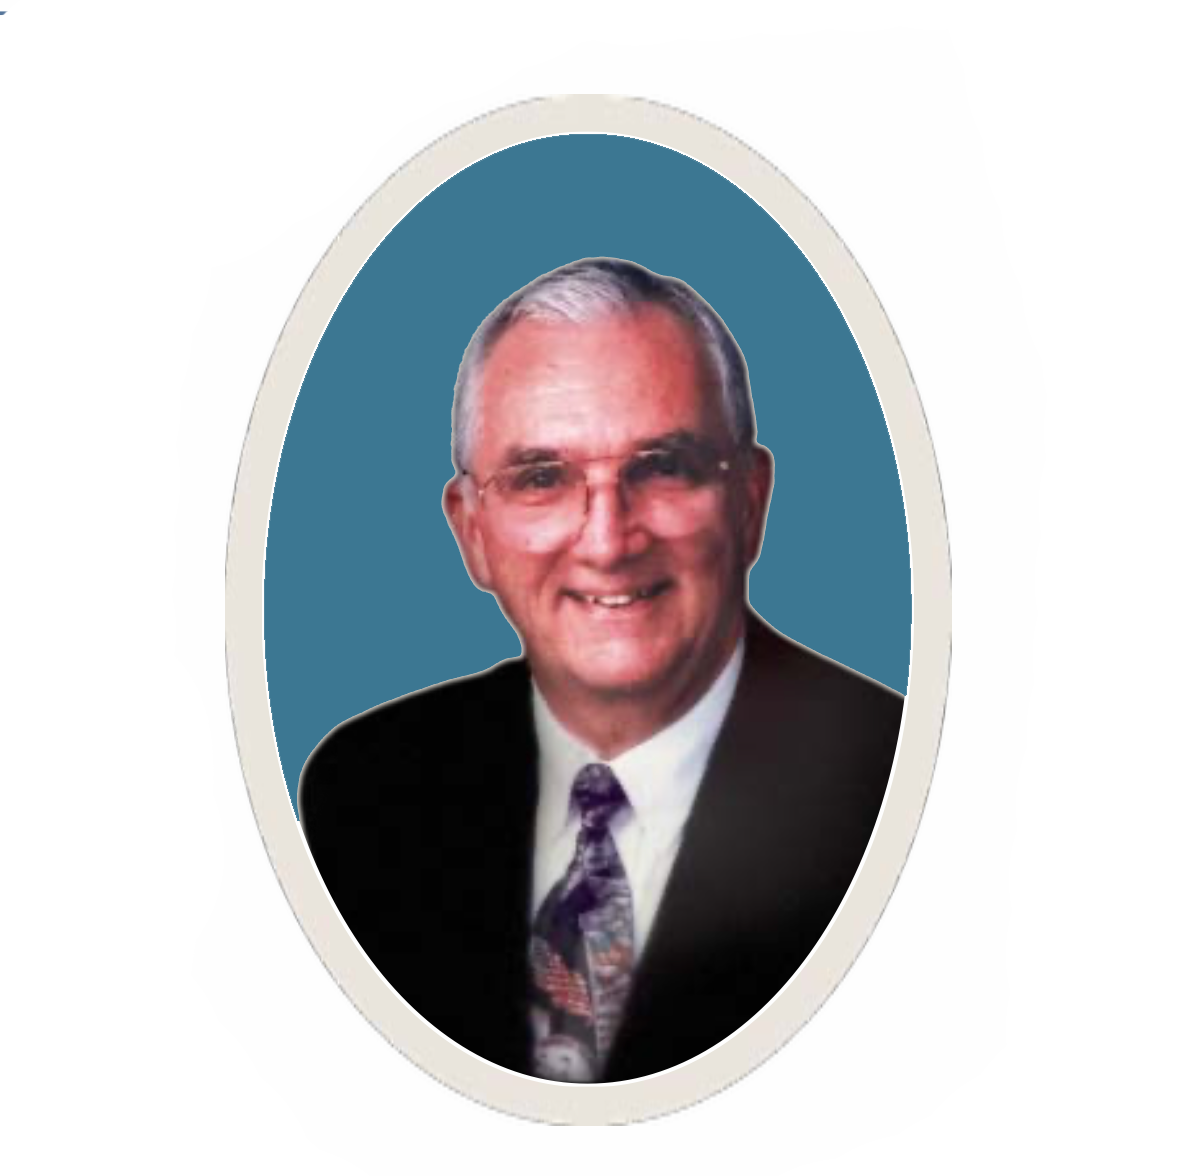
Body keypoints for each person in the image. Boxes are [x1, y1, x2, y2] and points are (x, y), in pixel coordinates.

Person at [298, 259, 904, 1082]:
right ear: (472, 532)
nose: (609, 540)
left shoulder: (903, 793)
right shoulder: (364, 797)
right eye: (542, 478)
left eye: (662, 466)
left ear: (750, 502)